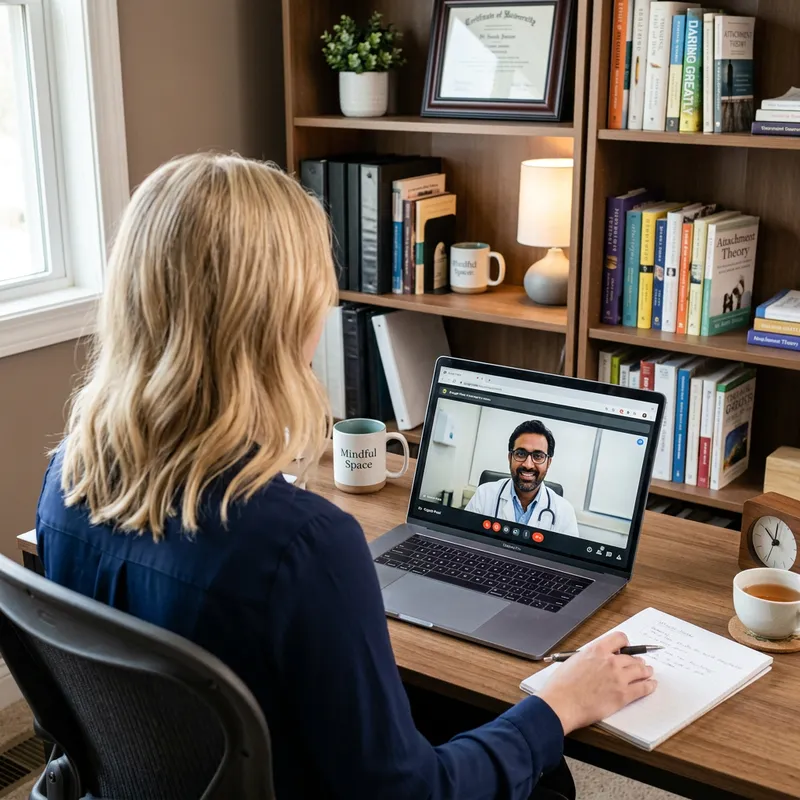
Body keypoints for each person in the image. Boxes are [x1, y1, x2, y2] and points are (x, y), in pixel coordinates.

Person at [35, 153, 656, 799]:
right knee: (545, 769)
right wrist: (558, 706)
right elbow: (410, 793)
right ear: (283, 318)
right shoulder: (303, 546)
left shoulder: (64, 482)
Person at [466, 420, 580, 537]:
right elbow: (464, 539)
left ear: (548, 462)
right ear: (510, 457)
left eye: (538, 456)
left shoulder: (565, 512)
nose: (528, 465)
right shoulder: (483, 495)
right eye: (521, 454)